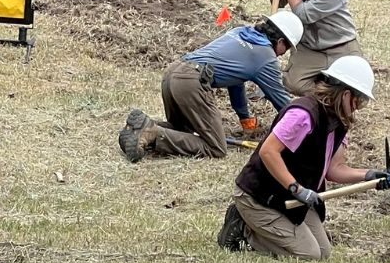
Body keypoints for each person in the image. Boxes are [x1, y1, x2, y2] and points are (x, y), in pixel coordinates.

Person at [216, 55, 388, 260]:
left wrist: (368, 175)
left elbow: (333, 169)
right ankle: (244, 228)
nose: (359, 107)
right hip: (260, 197)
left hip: (289, 198)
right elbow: (268, 152)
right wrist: (296, 188)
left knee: (323, 253)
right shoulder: (303, 115)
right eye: (360, 101)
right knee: (309, 255)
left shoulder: (338, 123)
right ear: (345, 95)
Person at [117, 11, 304, 162]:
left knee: (182, 131)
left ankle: (140, 128)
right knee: (215, 147)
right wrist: (306, 123)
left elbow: (236, 81)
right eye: (286, 49)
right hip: (191, 82)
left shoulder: (240, 32)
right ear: (280, 42)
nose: (282, 55)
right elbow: (282, 102)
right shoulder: (265, 57)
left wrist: (245, 119)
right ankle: (153, 133)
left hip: (173, 73)